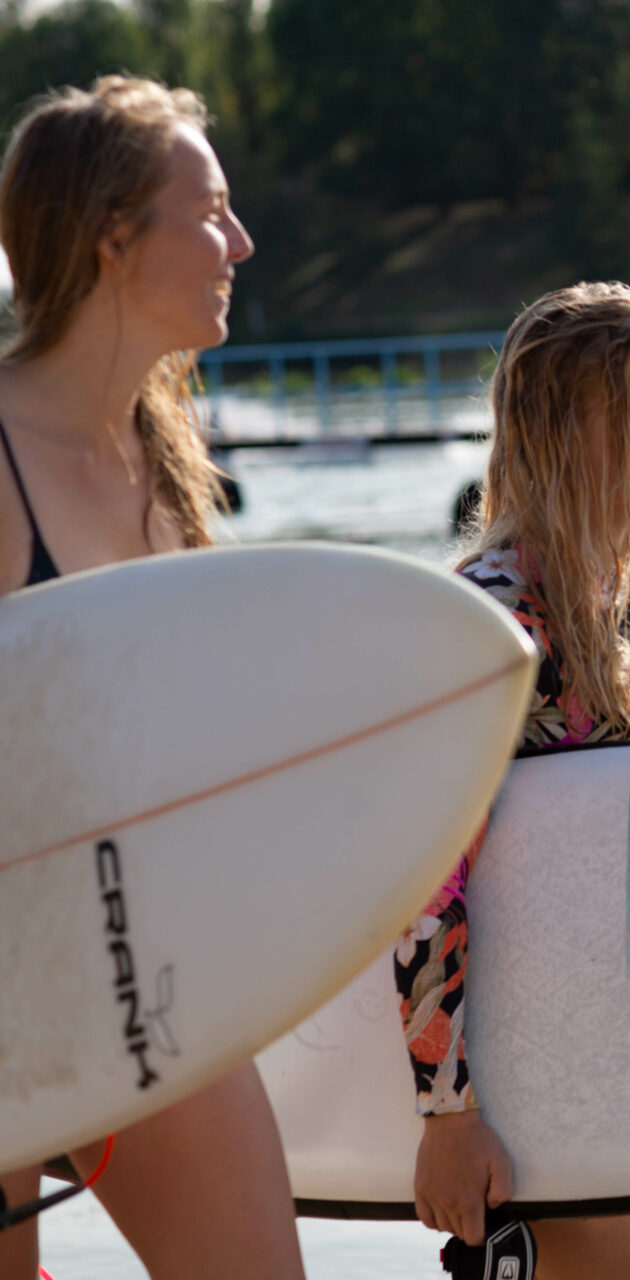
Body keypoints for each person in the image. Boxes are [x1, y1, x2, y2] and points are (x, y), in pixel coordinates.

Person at [0, 77, 302, 1279]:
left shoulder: (167, 465)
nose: (240, 240)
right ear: (111, 239)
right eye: (210, 211)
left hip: (134, 969)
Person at [400, 281, 630, 1278]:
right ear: (564, 429)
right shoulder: (486, 623)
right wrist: (450, 1112)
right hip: (522, 1079)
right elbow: (420, 884)